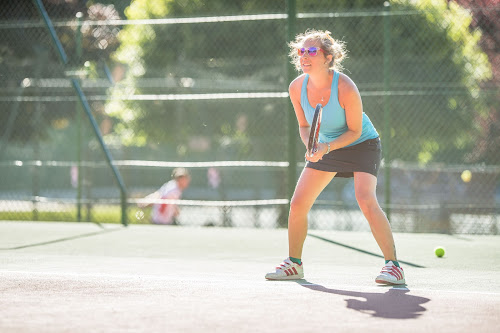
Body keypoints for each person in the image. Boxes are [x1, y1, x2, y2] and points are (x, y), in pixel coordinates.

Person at [265, 29, 405, 285]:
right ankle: (294, 264)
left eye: (311, 51)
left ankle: (393, 266)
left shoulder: (345, 87)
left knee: (365, 199)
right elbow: (304, 126)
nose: (304, 56)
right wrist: (312, 145)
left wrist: (326, 148)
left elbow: (353, 130)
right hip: (325, 145)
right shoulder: (296, 87)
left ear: (328, 57)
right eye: (301, 51)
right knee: (298, 204)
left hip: (361, 143)